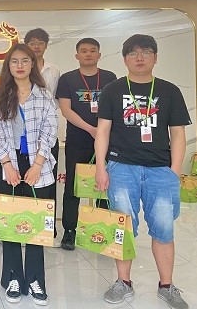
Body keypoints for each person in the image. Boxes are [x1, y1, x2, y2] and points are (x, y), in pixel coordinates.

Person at [95, 34, 190, 309]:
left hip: (160, 170)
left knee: (163, 230)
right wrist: (101, 167)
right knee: (123, 228)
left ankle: (167, 286)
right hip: (122, 168)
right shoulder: (112, 90)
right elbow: (103, 131)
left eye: (146, 52)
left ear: (155, 58)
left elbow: (178, 133)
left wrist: (174, 172)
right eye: (133, 53)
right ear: (124, 59)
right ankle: (123, 282)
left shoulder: (169, 91)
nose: (140, 58)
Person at [0, 43, 57, 306]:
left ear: (32, 64)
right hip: (9, 163)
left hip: (38, 163)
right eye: (14, 61)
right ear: (8, 65)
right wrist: (6, 164)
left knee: (36, 223)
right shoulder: (1, 96)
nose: (20, 65)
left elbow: (50, 131)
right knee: (11, 222)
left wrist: (38, 164)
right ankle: (14, 277)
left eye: (25, 61)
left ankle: (36, 279)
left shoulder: (44, 95)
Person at [56, 37, 116, 251]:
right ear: (77, 55)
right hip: (77, 140)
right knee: (73, 186)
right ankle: (69, 231)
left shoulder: (109, 77)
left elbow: (114, 108)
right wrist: (91, 129)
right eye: (83, 51)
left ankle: (102, 230)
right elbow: (66, 110)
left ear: (99, 55)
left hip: (106, 140)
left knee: (104, 185)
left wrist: (101, 132)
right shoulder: (67, 79)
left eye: (92, 50)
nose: (88, 54)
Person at [25, 28, 61, 245]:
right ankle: (25, 226)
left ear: (46, 45)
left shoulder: (53, 71)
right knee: (25, 183)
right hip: (24, 135)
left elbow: (56, 101)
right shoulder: (20, 69)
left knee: (48, 183)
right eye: (32, 42)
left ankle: (48, 228)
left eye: (40, 42)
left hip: (47, 135)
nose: (36, 46)